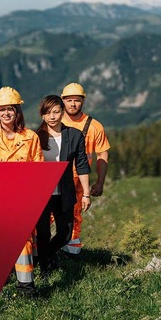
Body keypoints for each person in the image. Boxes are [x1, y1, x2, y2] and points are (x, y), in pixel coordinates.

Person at [0, 86, 43, 296]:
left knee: (23, 240)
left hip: (21, 200)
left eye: (10, 109)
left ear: (17, 112)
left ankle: (26, 286)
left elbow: (38, 171)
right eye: (2, 109)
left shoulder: (31, 137)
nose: (6, 113)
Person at [35, 95, 91, 273]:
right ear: (42, 115)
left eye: (56, 112)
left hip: (64, 192)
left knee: (65, 233)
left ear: (62, 112)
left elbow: (81, 165)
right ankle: (45, 268)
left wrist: (87, 194)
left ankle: (45, 255)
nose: (52, 116)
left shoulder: (74, 135)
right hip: (42, 194)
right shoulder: (36, 136)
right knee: (43, 234)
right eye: (48, 113)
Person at [60, 82, 111, 255]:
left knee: (75, 214)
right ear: (63, 101)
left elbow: (102, 155)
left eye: (77, 100)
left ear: (83, 101)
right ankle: (42, 249)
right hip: (57, 177)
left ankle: (71, 251)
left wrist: (100, 182)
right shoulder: (54, 121)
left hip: (80, 178)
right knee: (50, 214)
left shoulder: (95, 126)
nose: (73, 104)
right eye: (69, 100)